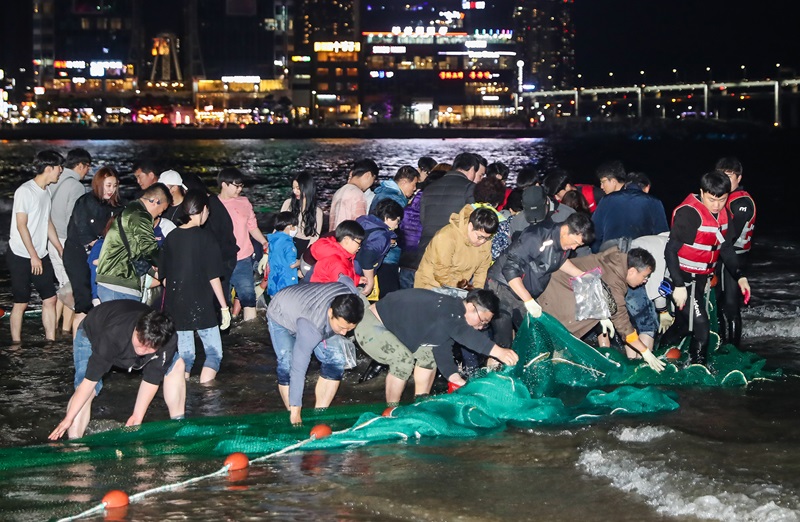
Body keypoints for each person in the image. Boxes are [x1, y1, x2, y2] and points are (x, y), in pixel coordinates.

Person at [354, 288, 519, 404]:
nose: (481, 327)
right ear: (470, 307)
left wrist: (455, 379)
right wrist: (499, 352)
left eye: (485, 325)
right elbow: (466, 335)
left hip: (397, 331)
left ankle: (420, 401)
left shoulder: (451, 317)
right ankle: (391, 410)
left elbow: (442, 349)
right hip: (372, 323)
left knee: (428, 355)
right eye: (482, 321)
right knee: (402, 360)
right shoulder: (450, 310)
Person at [48, 301, 185, 440]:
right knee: (87, 389)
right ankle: (75, 442)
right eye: (140, 342)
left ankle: (178, 424)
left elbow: (152, 378)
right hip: (92, 332)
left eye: (149, 348)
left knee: (177, 365)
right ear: (136, 330)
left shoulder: (167, 339)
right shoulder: (111, 336)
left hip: (126, 319)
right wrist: (67, 419)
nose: (142, 350)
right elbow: (88, 384)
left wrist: (137, 416)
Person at [660, 171, 751, 366]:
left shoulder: (724, 213)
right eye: (711, 200)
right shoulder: (689, 214)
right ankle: (698, 366)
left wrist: (740, 276)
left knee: (684, 325)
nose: (717, 205)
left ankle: (660, 351)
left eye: (722, 200)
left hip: (701, 279)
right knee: (701, 325)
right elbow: (670, 251)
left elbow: (726, 249)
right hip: (681, 277)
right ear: (701, 192)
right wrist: (678, 285)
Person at [538, 247, 666, 372]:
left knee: (599, 313)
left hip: (560, 285)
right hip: (556, 292)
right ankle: (551, 358)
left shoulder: (617, 261)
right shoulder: (615, 281)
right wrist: (645, 352)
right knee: (562, 332)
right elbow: (623, 324)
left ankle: (555, 352)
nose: (645, 281)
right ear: (632, 271)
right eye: (645, 276)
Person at [487, 213, 594, 348]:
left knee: (534, 336)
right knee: (503, 341)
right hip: (501, 286)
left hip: (522, 290)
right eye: (575, 243)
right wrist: (528, 300)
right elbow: (509, 269)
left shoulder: (564, 245)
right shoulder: (536, 236)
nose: (574, 248)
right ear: (566, 230)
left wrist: (582, 275)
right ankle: (496, 366)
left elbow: (558, 261)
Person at [266, 278, 365, 424]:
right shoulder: (312, 328)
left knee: (336, 359)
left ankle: (319, 416)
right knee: (287, 362)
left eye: (349, 329)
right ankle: (292, 417)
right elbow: (298, 369)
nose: (344, 333)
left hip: (310, 304)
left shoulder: (352, 297)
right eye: (342, 327)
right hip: (282, 312)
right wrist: (296, 411)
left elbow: (344, 278)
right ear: (331, 312)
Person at [160, 190, 230, 383]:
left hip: (176, 305)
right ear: (204, 210)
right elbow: (214, 277)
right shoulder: (206, 238)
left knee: (186, 357)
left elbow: (163, 277)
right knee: (214, 354)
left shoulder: (171, 237)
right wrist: (224, 307)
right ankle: (207, 396)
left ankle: (184, 396)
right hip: (202, 304)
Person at [7, 150, 65, 343]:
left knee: (50, 298)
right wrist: (33, 256)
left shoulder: (46, 190)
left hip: (40, 253)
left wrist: (58, 247)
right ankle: (16, 344)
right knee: (21, 303)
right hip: (21, 255)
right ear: (49, 168)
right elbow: (21, 224)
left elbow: (46, 221)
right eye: (59, 168)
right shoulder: (25, 191)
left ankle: (51, 342)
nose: (61, 171)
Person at [63, 166, 122, 334]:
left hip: (102, 256)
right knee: (84, 301)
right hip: (78, 255)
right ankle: (78, 346)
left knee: (102, 300)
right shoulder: (85, 201)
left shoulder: (117, 207)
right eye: (108, 185)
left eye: (115, 185)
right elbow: (82, 231)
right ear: (98, 183)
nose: (111, 190)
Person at [95, 183, 171, 303]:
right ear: (155, 201)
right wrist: (170, 268)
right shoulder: (140, 215)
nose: (161, 214)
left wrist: (161, 275)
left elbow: (138, 254)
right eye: (163, 209)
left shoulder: (131, 210)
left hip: (112, 282)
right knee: (123, 322)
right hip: (120, 284)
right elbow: (150, 250)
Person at [49, 147, 92, 334]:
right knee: (71, 287)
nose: (88, 172)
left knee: (61, 285)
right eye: (87, 167)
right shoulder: (76, 186)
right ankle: (66, 330)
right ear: (80, 165)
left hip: (50, 238)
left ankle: (56, 328)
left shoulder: (54, 180)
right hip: (65, 240)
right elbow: (73, 218)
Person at [217, 168, 269, 322]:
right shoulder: (213, 204)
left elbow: (252, 226)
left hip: (243, 258)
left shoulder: (244, 202)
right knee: (222, 300)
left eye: (241, 186)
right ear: (224, 184)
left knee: (248, 297)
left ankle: (249, 335)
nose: (239, 189)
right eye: (236, 186)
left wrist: (264, 242)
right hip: (221, 260)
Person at [714, 157, 756, 347]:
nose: (724, 179)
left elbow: (729, 237)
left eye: (729, 176)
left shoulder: (741, 201)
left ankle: (731, 349)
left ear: (739, 178)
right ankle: (724, 343)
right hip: (726, 256)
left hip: (733, 256)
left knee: (729, 305)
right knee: (723, 303)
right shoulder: (723, 198)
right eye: (720, 175)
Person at [414, 205, 497, 291]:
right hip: (431, 286)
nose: (482, 241)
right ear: (470, 226)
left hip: (457, 288)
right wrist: (460, 290)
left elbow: (482, 271)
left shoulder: (486, 242)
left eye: (487, 237)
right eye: (480, 237)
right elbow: (441, 272)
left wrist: (476, 293)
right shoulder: (446, 237)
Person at [369, 165, 420, 297]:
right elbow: (402, 227)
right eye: (413, 184)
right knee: (389, 295)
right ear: (404, 182)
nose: (414, 189)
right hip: (389, 255)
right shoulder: (396, 199)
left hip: (378, 253)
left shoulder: (382, 193)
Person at [591, 172, 669, 252]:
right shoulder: (654, 202)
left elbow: (595, 232)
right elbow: (662, 235)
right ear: (647, 188)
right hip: (639, 255)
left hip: (610, 252)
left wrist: (596, 253)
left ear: (625, 185)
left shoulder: (606, 199)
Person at [355, 199, 403, 298]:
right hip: (358, 275)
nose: (397, 226)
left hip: (348, 270)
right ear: (387, 218)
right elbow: (367, 258)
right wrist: (370, 282)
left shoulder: (364, 221)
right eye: (397, 221)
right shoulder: (381, 235)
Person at [308, 220, 365, 285]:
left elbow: (345, 276)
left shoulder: (340, 254)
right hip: (328, 294)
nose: (359, 247)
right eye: (358, 243)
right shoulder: (337, 262)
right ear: (347, 240)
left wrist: (357, 280)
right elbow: (342, 287)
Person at [281, 172, 324, 257]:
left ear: (307, 188)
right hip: (286, 244)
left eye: (298, 188)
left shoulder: (317, 212)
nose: (295, 191)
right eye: (293, 188)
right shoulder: (288, 204)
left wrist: (305, 257)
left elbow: (315, 238)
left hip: (305, 247)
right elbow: (278, 227)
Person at [329, 159, 379, 231]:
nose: (372, 183)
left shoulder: (338, 192)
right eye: (373, 179)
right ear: (368, 175)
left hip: (334, 237)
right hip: (348, 239)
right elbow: (360, 224)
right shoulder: (358, 194)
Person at [266, 211, 300, 297]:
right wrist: (301, 262)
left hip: (274, 282)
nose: (296, 229)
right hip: (286, 283)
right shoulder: (288, 244)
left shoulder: (273, 240)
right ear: (289, 227)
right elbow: (292, 264)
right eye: (294, 226)